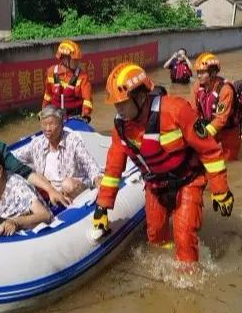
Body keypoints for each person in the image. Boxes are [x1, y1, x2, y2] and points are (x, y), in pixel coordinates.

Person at [93, 62, 234, 264]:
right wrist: (102, 207)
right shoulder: (121, 128)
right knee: (156, 237)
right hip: (155, 185)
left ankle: (189, 281)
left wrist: (221, 190)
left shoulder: (176, 111)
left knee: (184, 237)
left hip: (187, 181)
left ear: (141, 97)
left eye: (122, 103)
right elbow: (113, 170)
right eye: (116, 105)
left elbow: (209, 150)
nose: (119, 110)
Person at [13, 106, 103, 200]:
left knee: (67, 185)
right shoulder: (37, 143)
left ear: (61, 125)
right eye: (44, 124)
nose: (47, 129)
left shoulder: (72, 141)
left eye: (52, 124)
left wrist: (97, 179)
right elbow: (15, 157)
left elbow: (89, 163)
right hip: (50, 191)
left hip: (72, 187)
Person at [191, 52, 242, 161]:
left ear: (213, 73)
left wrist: (204, 134)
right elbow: (194, 110)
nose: (198, 75)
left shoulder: (225, 89)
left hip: (229, 132)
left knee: (229, 162)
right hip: (210, 127)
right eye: (198, 72)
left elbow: (221, 119)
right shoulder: (197, 87)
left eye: (202, 72)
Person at [42, 40, 93, 121]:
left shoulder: (82, 77)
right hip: (56, 117)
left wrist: (85, 115)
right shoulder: (51, 72)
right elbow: (48, 95)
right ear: (65, 59)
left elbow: (87, 99)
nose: (77, 62)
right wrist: (43, 111)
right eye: (74, 60)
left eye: (77, 60)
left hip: (75, 117)